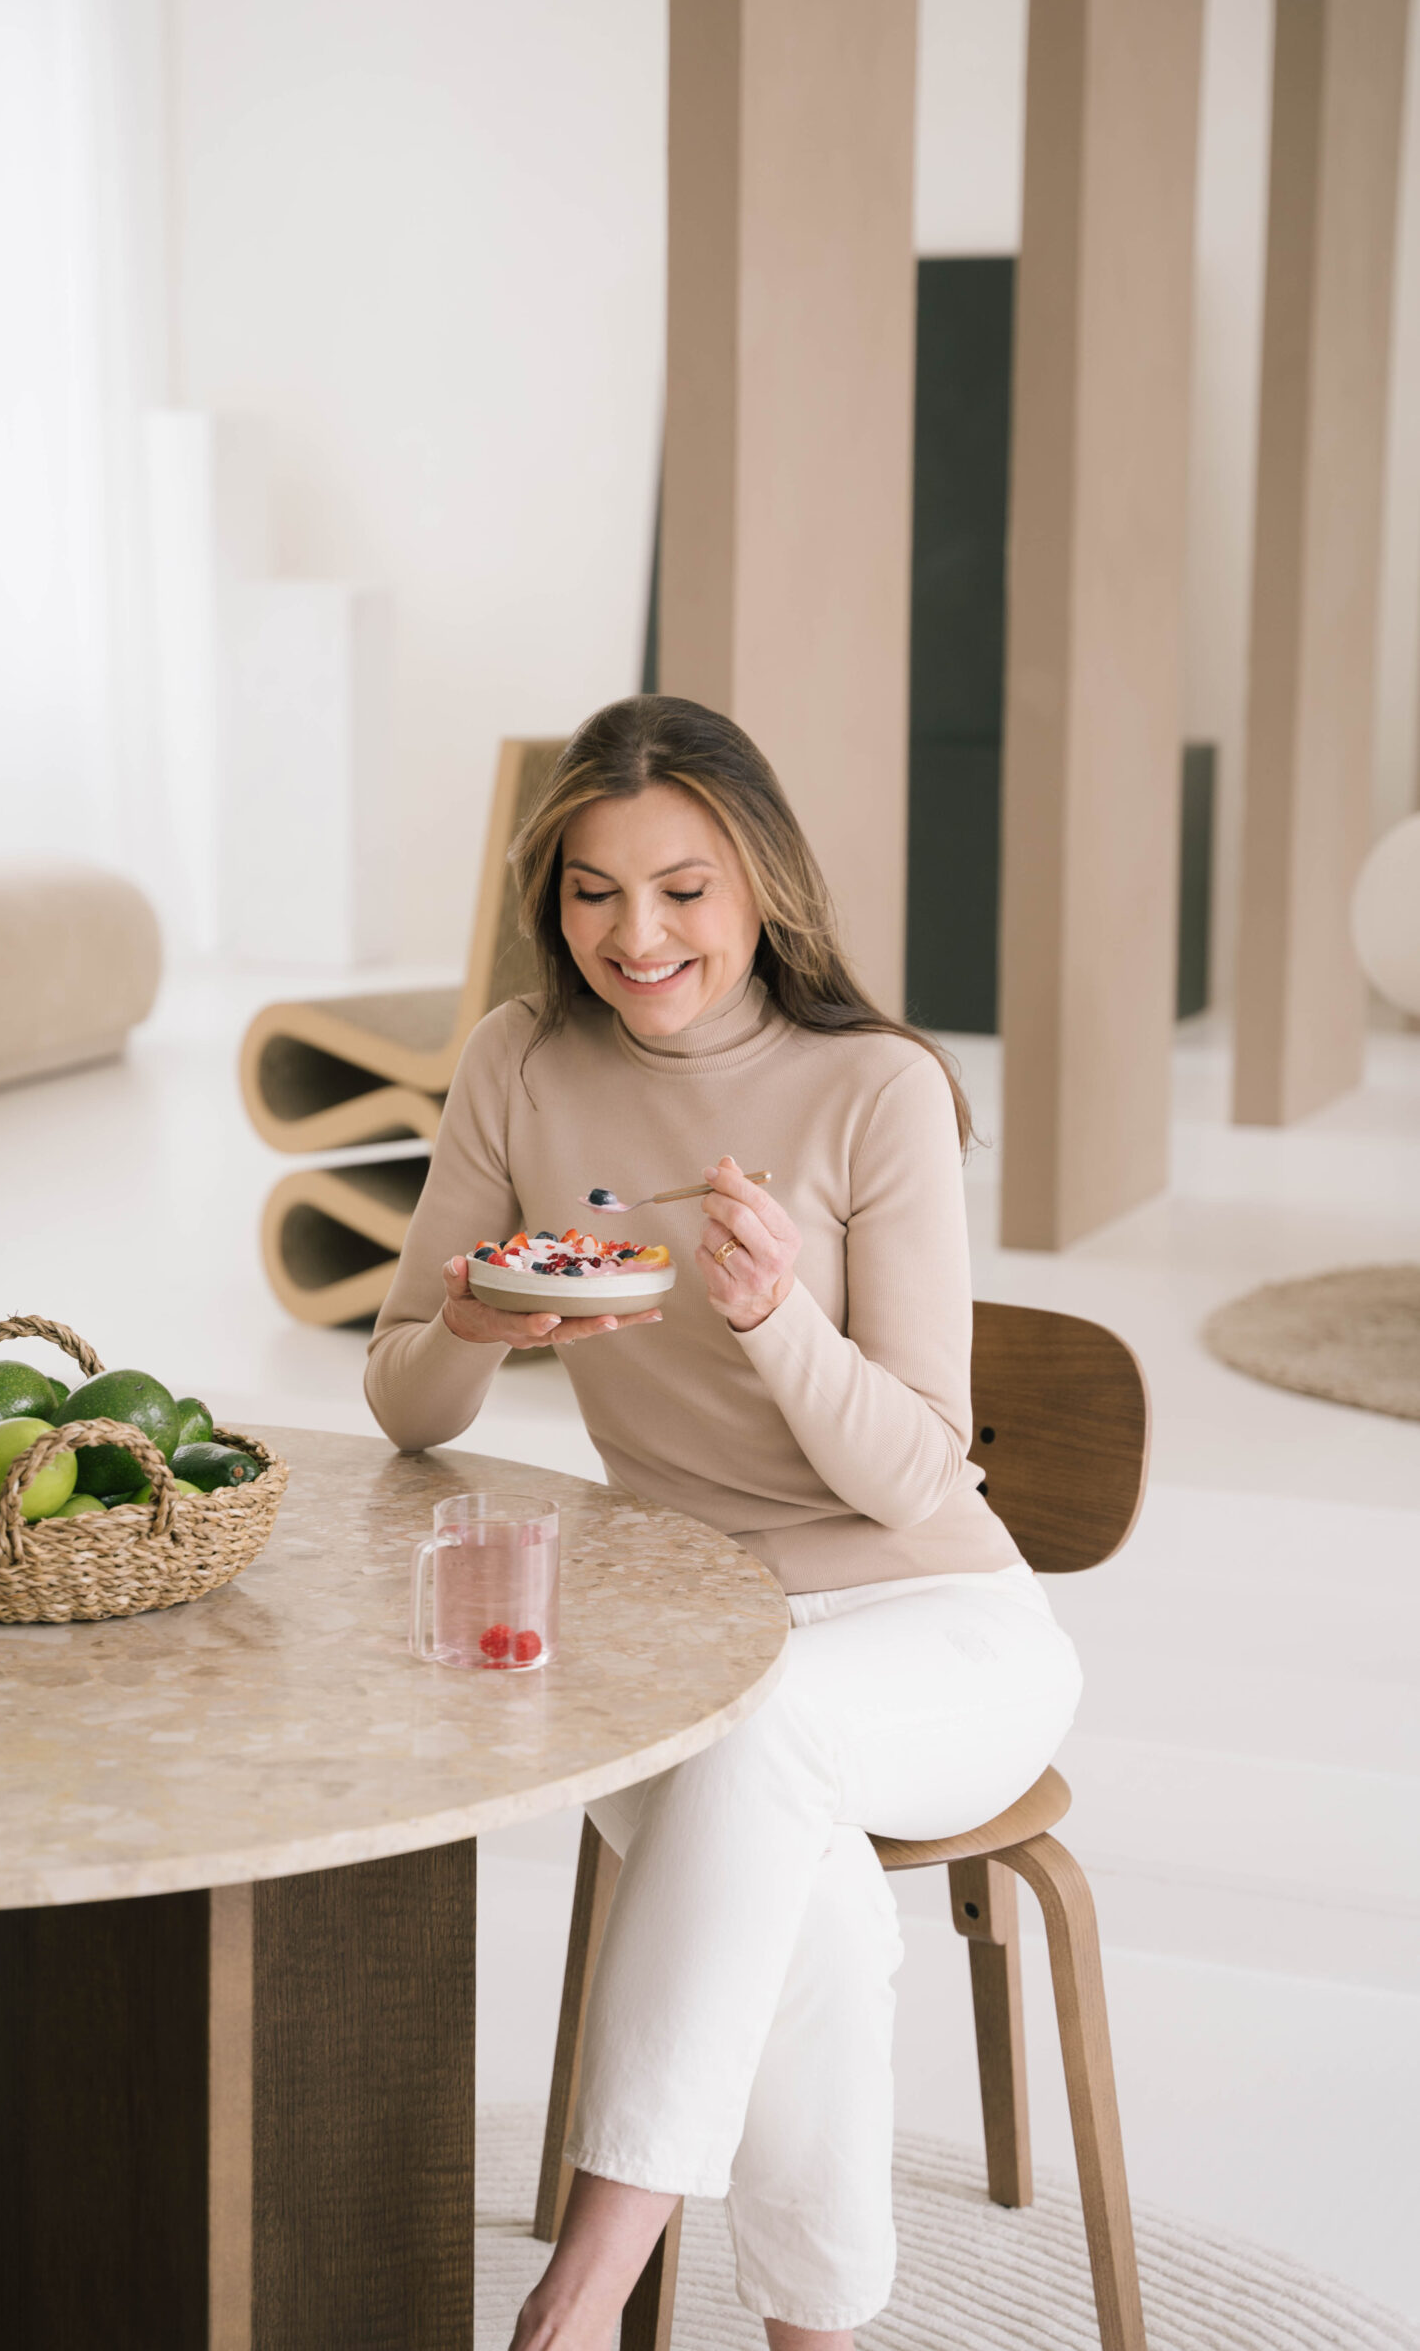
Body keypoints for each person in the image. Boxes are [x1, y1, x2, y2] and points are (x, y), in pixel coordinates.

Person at [365, 696, 1082, 2350]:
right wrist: (481, 1322)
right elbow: (405, 1401)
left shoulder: (875, 1087)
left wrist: (778, 1322)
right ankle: (811, 2341)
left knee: (769, 1755)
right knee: (812, 1905)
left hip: (939, 1625)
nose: (638, 935)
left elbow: (919, 1474)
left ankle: (583, 2286)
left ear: (762, 884)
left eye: (683, 888)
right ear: (551, 900)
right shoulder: (518, 1064)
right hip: (693, 1637)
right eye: (595, 892)